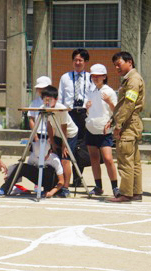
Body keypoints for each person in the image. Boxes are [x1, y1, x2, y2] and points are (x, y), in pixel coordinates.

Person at [105, 52, 144, 203]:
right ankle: (136, 192)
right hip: (131, 122)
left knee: (125, 159)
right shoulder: (130, 79)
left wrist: (118, 124)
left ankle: (126, 194)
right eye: (115, 65)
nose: (116, 68)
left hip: (128, 123)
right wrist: (112, 119)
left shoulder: (133, 80)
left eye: (119, 64)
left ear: (129, 62)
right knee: (134, 160)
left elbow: (128, 104)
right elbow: (123, 104)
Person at [85, 63, 120, 197]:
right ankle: (98, 186)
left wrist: (109, 102)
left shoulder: (109, 91)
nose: (95, 78)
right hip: (91, 128)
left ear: (104, 76)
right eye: (93, 76)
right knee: (94, 158)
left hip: (104, 129)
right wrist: (87, 107)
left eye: (98, 76)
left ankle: (115, 187)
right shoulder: (91, 91)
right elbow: (89, 110)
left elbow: (116, 110)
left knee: (108, 158)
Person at [58, 48, 91, 186]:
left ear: (85, 62)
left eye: (81, 60)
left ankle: (78, 177)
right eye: (76, 60)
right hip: (69, 113)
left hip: (84, 113)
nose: (78, 63)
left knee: (81, 145)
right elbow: (60, 97)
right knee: (67, 143)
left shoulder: (90, 77)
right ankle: (64, 178)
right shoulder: (65, 77)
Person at [43, 86, 79, 198]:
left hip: (69, 134)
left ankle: (66, 188)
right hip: (58, 134)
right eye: (45, 99)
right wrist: (52, 141)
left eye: (50, 99)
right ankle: (56, 184)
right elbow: (49, 125)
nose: (47, 102)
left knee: (65, 160)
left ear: (56, 98)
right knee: (54, 157)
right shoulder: (45, 108)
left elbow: (64, 127)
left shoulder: (61, 108)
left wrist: (64, 145)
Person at [0, 140, 64, 198]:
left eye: (43, 156)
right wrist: (10, 177)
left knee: (49, 169)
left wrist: (52, 192)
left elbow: (61, 181)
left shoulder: (55, 160)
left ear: (50, 152)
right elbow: (28, 170)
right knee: (21, 166)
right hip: (38, 176)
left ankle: (47, 190)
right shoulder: (33, 156)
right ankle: (5, 188)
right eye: (39, 157)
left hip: (50, 180)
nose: (41, 159)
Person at [28, 76, 52, 140]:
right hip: (38, 133)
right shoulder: (34, 103)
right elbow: (31, 119)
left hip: (52, 134)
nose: (41, 90)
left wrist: (52, 137)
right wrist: (35, 136)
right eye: (39, 88)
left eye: (44, 88)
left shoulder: (54, 102)